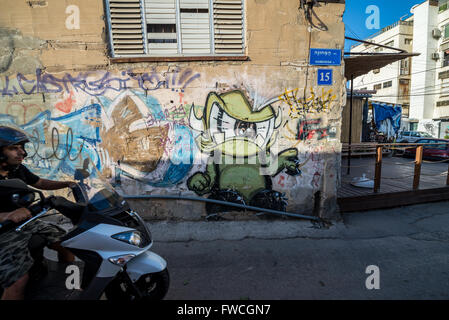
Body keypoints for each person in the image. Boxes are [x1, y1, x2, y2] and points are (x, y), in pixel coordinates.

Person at [0, 125, 76, 300]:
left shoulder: (17, 169)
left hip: (23, 223)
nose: (22, 153)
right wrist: (7, 215)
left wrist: (67, 184)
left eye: (22, 148)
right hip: (4, 231)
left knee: (67, 244)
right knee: (18, 280)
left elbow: (40, 183)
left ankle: (66, 289)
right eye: (14, 148)